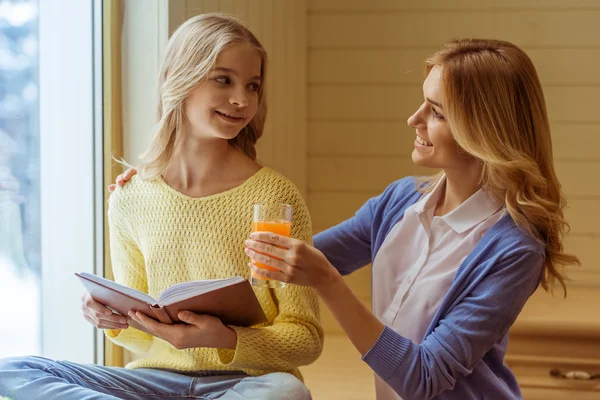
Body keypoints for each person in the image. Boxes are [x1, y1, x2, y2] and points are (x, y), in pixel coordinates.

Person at [112, 38, 580, 399]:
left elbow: (424, 378)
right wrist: (162, 185)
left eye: (435, 111)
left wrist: (328, 282)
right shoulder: (399, 204)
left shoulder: (513, 249)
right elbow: (269, 271)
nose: (414, 119)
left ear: (484, 129)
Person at [0, 13, 322, 400]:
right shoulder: (130, 197)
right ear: (178, 79)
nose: (242, 100)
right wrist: (113, 319)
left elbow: (305, 338)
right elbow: (142, 338)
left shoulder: (274, 197)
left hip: (248, 382)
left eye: (252, 86)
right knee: (14, 372)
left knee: (285, 392)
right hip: (155, 381)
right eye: (223, 80)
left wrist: (225, 337)